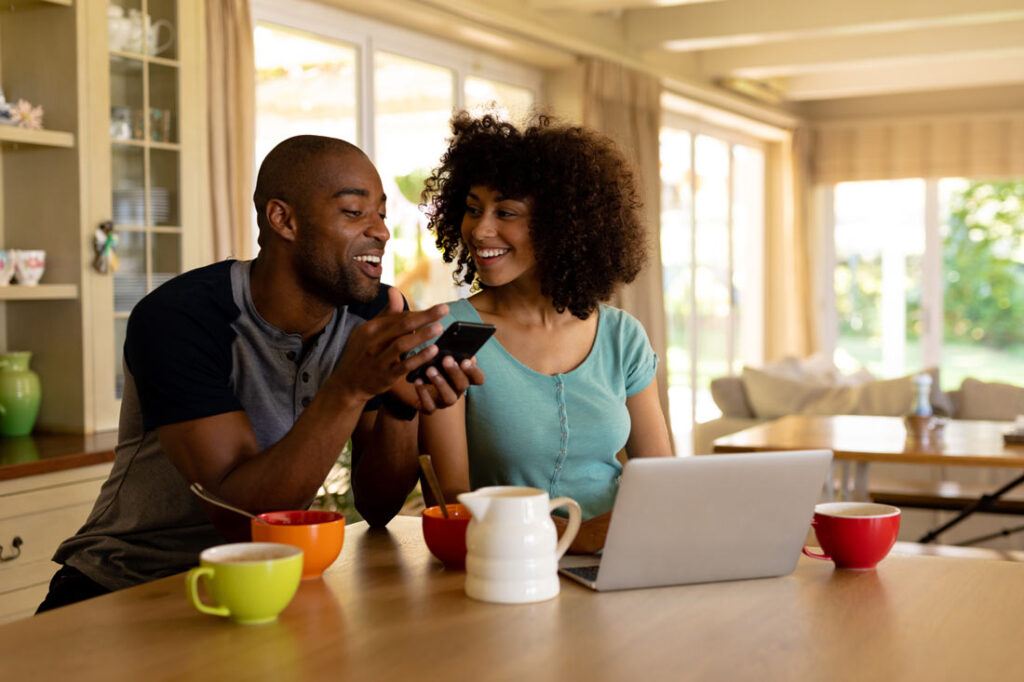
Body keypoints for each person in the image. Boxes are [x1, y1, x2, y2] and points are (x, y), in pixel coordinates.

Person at [38, 135, 483, 612]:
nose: (380, 232)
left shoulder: (370, 313)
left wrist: (398, 402)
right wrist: (351, 386)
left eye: (381, 213)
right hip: (128, 585)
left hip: (268, 583)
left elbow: (377, 506)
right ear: (282, 219)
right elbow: (240, 518)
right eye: (355, 212)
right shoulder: (180, 318)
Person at [417, 113, 672, 553]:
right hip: (508, 566)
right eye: (473, 209)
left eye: (506, 213)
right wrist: (581, 538)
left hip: (620, 558)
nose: (480, 230)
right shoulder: (450, 334)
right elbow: (454, 500)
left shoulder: (621, 336)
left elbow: (663, 480)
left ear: (562, 226)